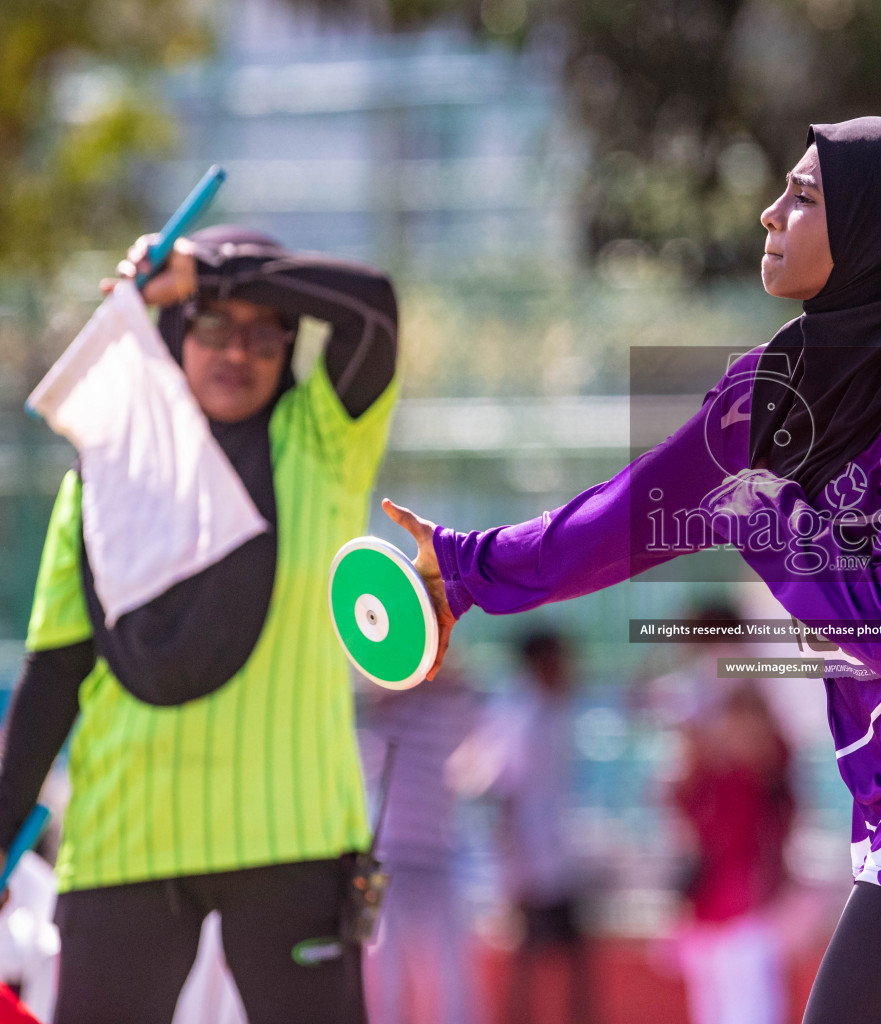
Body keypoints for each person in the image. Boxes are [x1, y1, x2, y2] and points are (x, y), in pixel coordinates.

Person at [385, 117, 881, 1024]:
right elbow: (622, 519)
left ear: (880, 236)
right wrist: (468, 571)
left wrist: (763, 513)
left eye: (805, 195)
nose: (769, 213)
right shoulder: (768, 391)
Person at [0, 226, 398, 1023]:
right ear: (177, 333)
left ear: (289, 346)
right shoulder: (105, 471)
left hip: (293, 841)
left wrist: (207, 271)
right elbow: (54, 675)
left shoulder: (320, 440)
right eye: (211, 323)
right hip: (124, 843)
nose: (237, 352)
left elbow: (372, 309)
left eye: (264, 332)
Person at [451, 630, 594, 1024]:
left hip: (553, 855)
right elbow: (505, 797)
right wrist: (515, 869)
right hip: (533, 860)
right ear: (540, 663)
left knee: (563, 957)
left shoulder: (547, 710)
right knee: (541, 957)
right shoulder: (521, 716)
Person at [360, 661, 481, 1024]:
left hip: (425, 855)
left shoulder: (430, 709)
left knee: (447, 974)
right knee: (393, 974)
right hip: (397, 858)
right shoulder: (390, 716)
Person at [672, 681, 795, 1024]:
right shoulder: (715, 777)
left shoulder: (767, 780)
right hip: (709, 913)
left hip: (748, 915)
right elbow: (685, 813)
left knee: (753, 1011)